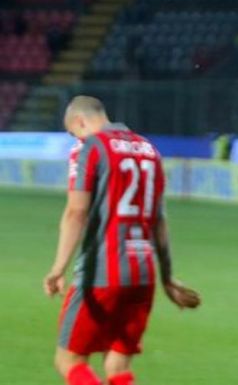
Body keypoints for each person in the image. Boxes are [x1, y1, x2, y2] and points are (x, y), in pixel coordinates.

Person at [43, 96, 200, 385]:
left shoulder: (91, 147)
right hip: (142, 274)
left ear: (80, 122)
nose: (75, 139)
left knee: (68, 360)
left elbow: (76, 211)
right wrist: (167, 277)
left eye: (73, 133)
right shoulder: (148, 149)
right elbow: (159, 221)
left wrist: (57, 267)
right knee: (117, 364)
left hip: (102, 272)